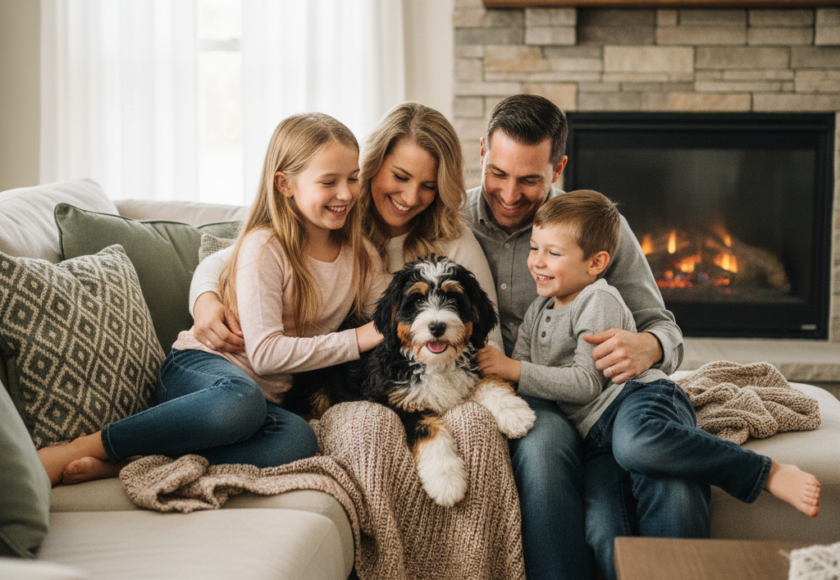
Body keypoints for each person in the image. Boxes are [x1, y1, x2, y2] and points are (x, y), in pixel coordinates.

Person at [477, 189, 821, 580]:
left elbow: (585, 382)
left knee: (637, 442)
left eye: (552, 253)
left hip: (638, 400)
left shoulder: (597, 299)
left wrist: (512, 370)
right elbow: (522, 370)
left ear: (597, 263)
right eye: (534, 248)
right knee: (604, 529)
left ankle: (767, 474)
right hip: (596, 437)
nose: (536, 262)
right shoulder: (538, 310)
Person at [37, 112, 389, 486]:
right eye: (329, 182)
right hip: (201, 375)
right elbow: (267, 355)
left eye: (353, 178)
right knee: (240, 399)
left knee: (297, 440)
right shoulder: (265, 247)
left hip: (262, 402)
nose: (346, 193)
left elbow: (391, 313)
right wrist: (359, 338)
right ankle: (87, 446)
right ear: (285, 185)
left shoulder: (361, 256)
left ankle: (137, 460)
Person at [466, 94, 688, 580]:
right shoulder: (451, 222)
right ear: (482, 150)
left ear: (559, 168)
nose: (508, 193)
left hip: (604, 397)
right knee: (544, 451)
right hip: (528, 393)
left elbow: (664, 326)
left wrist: (649, 347)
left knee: (669, 477)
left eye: (529, 180)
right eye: (498, 173)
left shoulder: (592, 231)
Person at [192, 102, 504, 353]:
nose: (410, 198)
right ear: (372, 164)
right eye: (400, 176)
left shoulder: (451, 238)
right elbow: (230, 259)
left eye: (428, 185)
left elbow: (490, 337)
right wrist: (205, 299)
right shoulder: (336, 216)